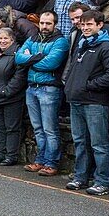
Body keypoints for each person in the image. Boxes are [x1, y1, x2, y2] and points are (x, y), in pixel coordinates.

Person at [64, 10, 109, 196]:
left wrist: (88, 86)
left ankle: (103, 181)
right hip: (76, 101)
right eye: (83, 24)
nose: (86, 28)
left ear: (99, 25)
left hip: (95, 102)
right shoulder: (82, 45)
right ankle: (81, 177)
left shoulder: (107, 48)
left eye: (90, 24)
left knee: (100, 144)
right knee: (80, 141)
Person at [16, 11, 69, 176]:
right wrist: (39, 57)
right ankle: (40, 160)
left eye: (48, 23)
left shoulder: (61, 41)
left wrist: (30, 60)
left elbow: (51, 63)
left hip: (49, 88)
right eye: (42, 23)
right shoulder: (33, 38)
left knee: (50, 129)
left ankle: (51, 163)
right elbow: (18, 58)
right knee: (38, 128)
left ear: (55, 24)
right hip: (32, 87)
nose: (44, 26)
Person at [0, 28, 28, 166]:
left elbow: (19, 76)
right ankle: (0, 154)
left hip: (11, 98)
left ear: (12, 40)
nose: (2, 41)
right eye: (0, 38)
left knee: (12, 127)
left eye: (5, 38)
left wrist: (7, 91)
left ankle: (11, 155)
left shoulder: (17, 54)